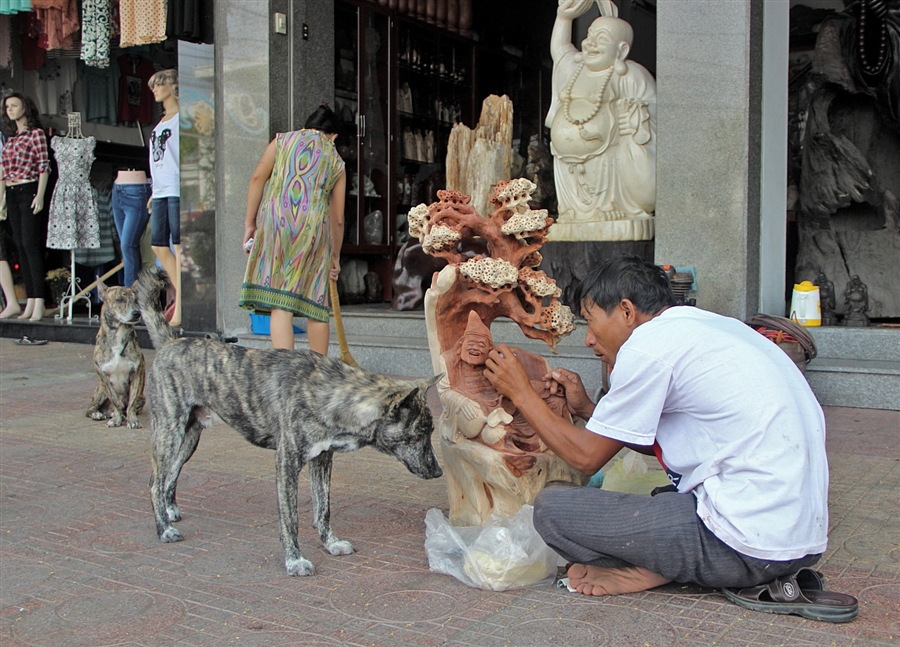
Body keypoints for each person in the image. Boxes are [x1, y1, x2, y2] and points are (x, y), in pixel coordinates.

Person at [482, 256, 851, 620]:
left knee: (554, 510)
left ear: (626, 312)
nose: (590, 339)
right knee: (663, 495)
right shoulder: (709, 328)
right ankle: (666, 560)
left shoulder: (645, 347)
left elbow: (585, 458)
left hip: (747, 545)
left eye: (592, 321)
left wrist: (521, 393)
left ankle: (652, 567)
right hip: (800, 542)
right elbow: (663, 437)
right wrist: (591, 412)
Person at [239, 105, 346, 352]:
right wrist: (335, 257)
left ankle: (286, 373)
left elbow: (257, 179)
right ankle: (318, 374)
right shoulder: (335, 160)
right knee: (316, 303)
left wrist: (249, 224)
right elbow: (337, 218)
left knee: (280, 303)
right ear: (334, 136)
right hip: (313, 230)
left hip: (276, 223)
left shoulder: (282, 141)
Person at [546, 0, 656, 242]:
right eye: (589, 36)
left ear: (622, 50)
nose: (591, 44)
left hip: (610, 168)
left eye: (602, 39)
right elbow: (560, 49)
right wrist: (564, 18)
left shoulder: (631, 76)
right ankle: (573, 211)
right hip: (568, 170)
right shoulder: (574, 68)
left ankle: (614, 206)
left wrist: (635, 123)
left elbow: (654, 117)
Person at [0, 92, 50, 321]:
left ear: (25, 107)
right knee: (20, 245)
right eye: (7, 106)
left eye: (14, 105)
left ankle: (39, 300)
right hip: (11, 192)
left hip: (28, 189)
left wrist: (40, 195)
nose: (10, 109)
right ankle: (30, 300)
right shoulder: (10, 139)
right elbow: (2, 172)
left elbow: (43, 166)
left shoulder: (35, 134)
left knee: (31, 244)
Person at [147, 69, 182, 325]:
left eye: (160, 84)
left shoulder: (181, 119)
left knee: (179, 246)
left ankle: (181, 304)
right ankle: (180, 294)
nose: (155, 90)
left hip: (177, 187)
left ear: (173, 86)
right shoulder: (161, 122)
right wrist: (153, 190)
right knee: (158, 244)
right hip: (160, 189)